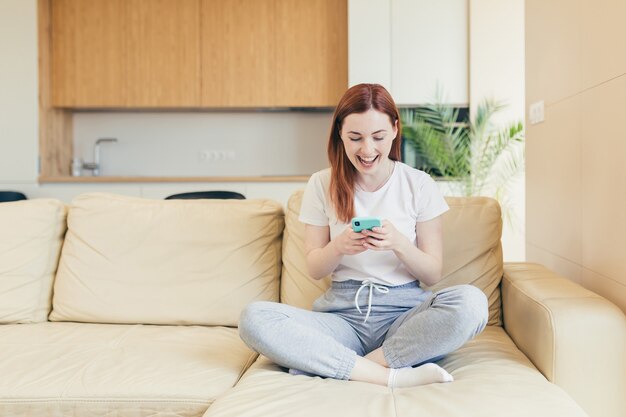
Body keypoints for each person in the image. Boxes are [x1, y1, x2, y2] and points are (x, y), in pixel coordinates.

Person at [239, 83, 488, 388]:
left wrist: (398, 243)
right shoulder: (321, 184)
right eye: (355, 138)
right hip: (342, 319)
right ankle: (390, 376)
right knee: (254, 318)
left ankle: (350, 365)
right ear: (340, 135)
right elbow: (316, 268)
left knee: (472, 303)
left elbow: (432, 273)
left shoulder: (419, 184)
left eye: (378, 137)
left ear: (395, 130)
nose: (367, 150)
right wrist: (339, 246)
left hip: (404, 318)